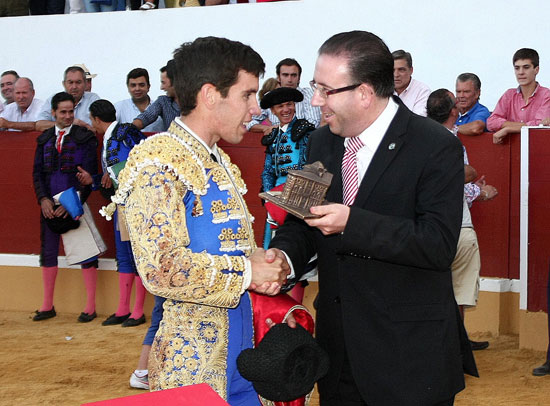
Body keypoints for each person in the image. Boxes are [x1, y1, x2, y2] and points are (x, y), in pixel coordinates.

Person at [268, 30, 475, 406]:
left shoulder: (435, 146)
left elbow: (438, 245)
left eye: (325, 90)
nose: (315, 100)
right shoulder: (320, 142)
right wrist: (282, 257)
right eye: (316, 86)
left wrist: (353, 223)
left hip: (409, 359)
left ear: (363, 92)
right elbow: (300, 220)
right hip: (338, 357)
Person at [103, 37, 289, 403]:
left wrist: (266, 264)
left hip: (246, 348)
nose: (256, 109)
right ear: (209, 95)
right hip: (193, 360)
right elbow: (161, 269)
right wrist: (249, 273)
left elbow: (235, 247)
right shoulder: (156, 162)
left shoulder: (217, 159)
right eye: (247, 95)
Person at [427, 89, 498, 352]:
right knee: (458, 289)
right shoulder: (452, 142)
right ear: (454, 112)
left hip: (425, 228)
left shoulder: (419, 141)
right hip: (456, 226)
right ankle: (456, 346)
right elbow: (457, 183)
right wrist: (481, 190)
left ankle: (448, 345)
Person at [32, 92, 99, 323]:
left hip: (75, 203)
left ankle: (90, 306)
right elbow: (38, 173)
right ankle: (47, 305)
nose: (68, 116)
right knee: (48, 251)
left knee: (85, 253)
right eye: (63, 112)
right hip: (50, 204)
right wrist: (43, 199)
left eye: (71, 111)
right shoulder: (45, 139)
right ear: (53, 113)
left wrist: (75, 202)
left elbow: (89, 175)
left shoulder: (85, 138)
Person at [81, 99, 148, 328]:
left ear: (97, 119)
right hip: (121, 204)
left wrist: (107, 179)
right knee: (125, 255)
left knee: (135, 255)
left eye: (92, 120)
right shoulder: (118, 134)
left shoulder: (123, 133)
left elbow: (138, 165)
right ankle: (123, 309)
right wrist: (98, 181)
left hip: (136, 204)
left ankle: (137, 311)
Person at [487, 48, 550, 144]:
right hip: (510, 150)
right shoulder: (509, 95)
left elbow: (540, 127)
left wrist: (508, 129)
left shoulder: (546, 95)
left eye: (526, 67)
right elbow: (491, 122)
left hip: (537, 149)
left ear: (536, 70)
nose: (520, 72)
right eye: (517, 68)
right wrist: (514, 127)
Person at [247, 58, 321, 134]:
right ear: (278, 78)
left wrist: (283, 129)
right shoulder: (269, 97)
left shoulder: (307, 94)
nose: (289, 79)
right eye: (285, 75)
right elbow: (250, 122)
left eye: (293, 75)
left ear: (299, 78)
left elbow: (313, 122)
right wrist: (267, 128)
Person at [36, 66, 100, 132]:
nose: (74, 87)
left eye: (78, 82)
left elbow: (101, 126)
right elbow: (39, 125)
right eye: (70, 82)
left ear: (85, 84)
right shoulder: (53, 99)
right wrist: (68, 124)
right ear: (64, 84)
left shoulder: (93, 99)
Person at [132, 65, 180, 132]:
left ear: (175, 82)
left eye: (163, 83)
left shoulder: (198, 102)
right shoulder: (163, 101)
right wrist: (130, 128)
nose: (161, 87)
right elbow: (146, 117)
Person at [115, 68, 163, 133]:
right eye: (133, 85)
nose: (137, 89)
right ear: (128, 88)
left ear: (148, 87)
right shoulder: (119, 107)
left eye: (141, 85)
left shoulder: (160, 108)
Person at [392, 49, 431, 116]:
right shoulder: (381, 90)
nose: (396, 75)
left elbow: (418, 120)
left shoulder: (422, 91)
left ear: (411, 70)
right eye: (392, 70)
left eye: (401, 70)